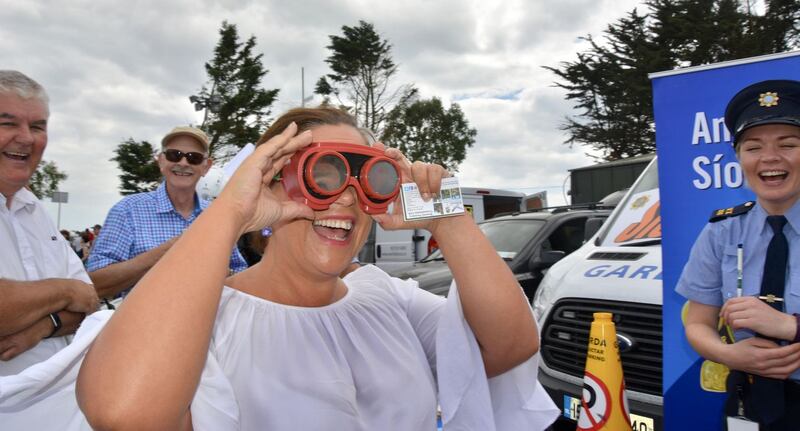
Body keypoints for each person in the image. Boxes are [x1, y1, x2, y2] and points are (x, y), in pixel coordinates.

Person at [76, 107, 558, 430]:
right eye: (322, 175)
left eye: (368, 179)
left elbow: (510, 346)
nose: (345, 198)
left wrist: (447, 217)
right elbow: (125, 415)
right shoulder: (205, 322)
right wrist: (229, 213)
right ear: (266, 184)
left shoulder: (387, 299)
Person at [676, 79, 800, 429]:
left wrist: (790, 326)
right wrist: (728, 354)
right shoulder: (723, 230)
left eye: (788, 144)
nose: (769, 158)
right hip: (748, 400)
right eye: (753, 147)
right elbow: (697, 323)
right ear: (739, 159)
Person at [0, 70, 98, 374]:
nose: (26, 138)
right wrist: (66, 291)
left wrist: (44, 325)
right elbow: (78, 293)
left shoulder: (34, 210)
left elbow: (90, 302)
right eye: (7, 123)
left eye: (37, 126)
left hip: (62, 396)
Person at [87, 126, 247, 300]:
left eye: (194, 158)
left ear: (206, 167)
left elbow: (238, 272)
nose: (183, 163)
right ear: (161, 160)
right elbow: (95, 284)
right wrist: (170, 250)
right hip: (145, 316)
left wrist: (221, 273)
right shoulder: (127, 210)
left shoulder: (217, 215)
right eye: (174, 155)